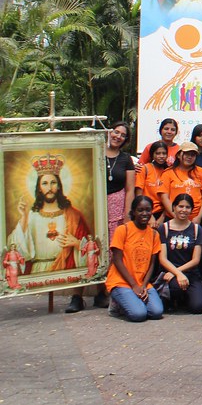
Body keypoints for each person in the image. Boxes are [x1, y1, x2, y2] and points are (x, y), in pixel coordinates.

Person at [72, 122, 135, 313]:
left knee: (109, 252)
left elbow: (130, 189)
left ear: (126, 140)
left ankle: (102, 293)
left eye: (123, 135)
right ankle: (77, 296)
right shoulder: (94, 151)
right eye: (116, 132)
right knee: (85, 249)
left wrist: (126, 215)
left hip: (116, 209)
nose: (118, 136)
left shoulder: (126, 160)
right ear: (109, 132)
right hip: (93, 207)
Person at [9, 152, 90, 275]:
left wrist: (77, 243)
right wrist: (24, 217)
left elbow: (91, 248)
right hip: (38, 272)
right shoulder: (31, 215)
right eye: (45, 183)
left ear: (58, 186)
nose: (49, 187)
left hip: (65, 271)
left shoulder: (73, 216)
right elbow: (16, 248)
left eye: (53, 182)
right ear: (39, 188)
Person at [106, 196, 163, 322]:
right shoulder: (123, 230)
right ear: (133, 212)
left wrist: (142, 286)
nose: (144, 214)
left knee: (157, 312)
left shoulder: (154, 234)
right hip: (121, 281)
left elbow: (152, 264)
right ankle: (117, 304)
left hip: (142, 282)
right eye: (140, 210)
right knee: (139, 315)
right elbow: (117, 260)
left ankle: (132, 300)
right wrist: (133, 285)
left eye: (148, 210)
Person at [156, 194, 202, 314]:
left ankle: (184, 300)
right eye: (180, 206)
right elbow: (162, 258)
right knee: (176, 287)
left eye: (187, 207)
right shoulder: (164, 228)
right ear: (173, 207)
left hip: (190, 273)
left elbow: (196, 260)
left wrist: (180, 273)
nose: (184, 210)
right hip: (169, 273)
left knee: (199, 307)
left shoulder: (196, 229)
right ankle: (173, 298)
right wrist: (177, 274)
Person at [159, 141, 202, 223]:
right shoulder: (168, 173)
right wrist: (176, 216)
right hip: (173, 218)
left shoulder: (200, 172)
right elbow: (164, 197)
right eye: (186, 154)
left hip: (196, 219)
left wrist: (200, 216)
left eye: (193, 155)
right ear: (179, 155)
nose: (189, 157)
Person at [136, 142, 169, 223]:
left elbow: (171, 197)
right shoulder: (144, 169)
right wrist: (149, 216)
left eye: (164, 153)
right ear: (152, 154)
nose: (161, 156)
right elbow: (138, 195)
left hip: (164, 213)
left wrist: (163, 217)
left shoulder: (169, 171)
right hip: (146, 211)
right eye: (158, 153)